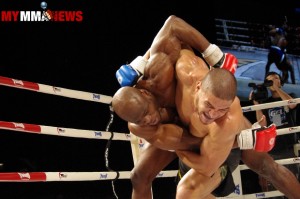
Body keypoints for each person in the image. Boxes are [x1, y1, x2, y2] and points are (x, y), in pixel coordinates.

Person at [114, 15, 300, 199]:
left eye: (146, 112)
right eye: (141, 119)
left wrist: (212, 53)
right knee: (138, 177)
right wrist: (241, 139)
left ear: (146, 92)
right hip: (187, 135)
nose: (148, 120)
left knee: (267, 167)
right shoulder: (141, 125)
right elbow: (185, 142)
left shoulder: (175, 71)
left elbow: (172, 24)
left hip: (211, 131)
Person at [249, 71, 299, 197]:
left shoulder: (289, 96)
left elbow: (292, 104)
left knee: (291, 186)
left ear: (280, 82)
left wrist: (277, 88)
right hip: (272, 150)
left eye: (275, 78)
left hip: (288, 148)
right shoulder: (266, 102)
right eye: (269, 80)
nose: (272, 81)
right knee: (274, 190)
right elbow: (262, 124)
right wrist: (256, 105)